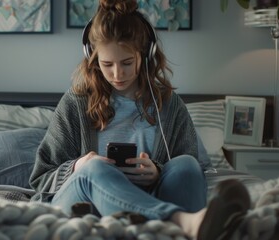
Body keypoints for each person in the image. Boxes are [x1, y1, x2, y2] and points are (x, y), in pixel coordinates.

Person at [29, 0, 251, 239]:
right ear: (92, 59)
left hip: (147, 198)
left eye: (127, 63)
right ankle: (184, 223)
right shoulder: (76, 102)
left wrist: (157, 171)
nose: (117, 74)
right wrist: (77, 166)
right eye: (107, 64)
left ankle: (159, 226)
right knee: (95, 167)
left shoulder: (169, 105)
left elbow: (191, 175)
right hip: (82, 203)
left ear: (145, 55)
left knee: (187, 163)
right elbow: (41, 178)